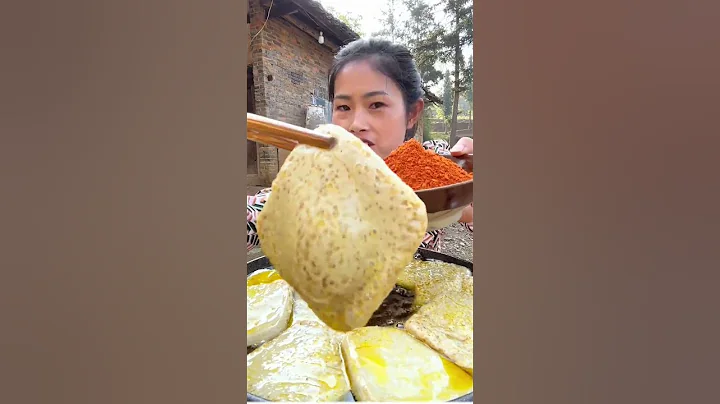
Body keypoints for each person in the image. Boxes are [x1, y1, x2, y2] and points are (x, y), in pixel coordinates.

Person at [247, 38, 473, 252]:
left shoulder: (438, 165)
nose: (355, 124)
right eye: (343, 107)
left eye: (376, 104)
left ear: (412, 113)